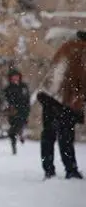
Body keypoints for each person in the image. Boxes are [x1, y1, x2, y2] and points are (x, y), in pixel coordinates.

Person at [37, 34, 84, 179]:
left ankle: (49, 169)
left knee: (49, 134)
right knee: (66, 136)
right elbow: (82, 77)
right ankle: (70, 169)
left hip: (49, 94)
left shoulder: (67, 46)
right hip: (64, 98)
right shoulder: (81, 50)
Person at [3, 68, 30, 155]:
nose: (15, 78)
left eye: (16, 76)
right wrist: (9, 107)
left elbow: (26, 99)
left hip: (22, 111)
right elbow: (5, 99)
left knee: (20, 125)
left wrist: (26, 109)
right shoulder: (8, 88)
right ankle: (14, 144)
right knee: (12, 130)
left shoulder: (23, 87)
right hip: (12, 112)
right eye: (13, 77)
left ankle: (21, 133)